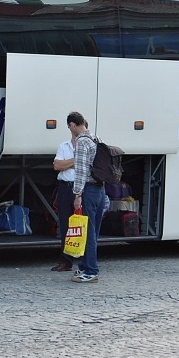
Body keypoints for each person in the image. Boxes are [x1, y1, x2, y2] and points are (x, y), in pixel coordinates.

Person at [67, 110, 107, 284]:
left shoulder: (83, 142)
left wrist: (77, 194)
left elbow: (81, 171)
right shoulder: (96, 138)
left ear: (73, 125)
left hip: (89, 190)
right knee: (93, 232)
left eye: (70, 127)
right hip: (100, 190)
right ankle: (84, 267)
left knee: (88, 233)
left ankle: (91, 271)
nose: (70, 130)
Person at [51, 131, 77, 272]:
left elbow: (86, 167)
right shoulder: (64, 145)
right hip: (65, 188)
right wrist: (74, 161)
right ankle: (66, 260)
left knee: (82, 225)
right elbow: (56, 166)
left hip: (80, 188)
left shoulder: (86, 146)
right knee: (65, 225)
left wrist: (65, 163)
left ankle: (85, 261)